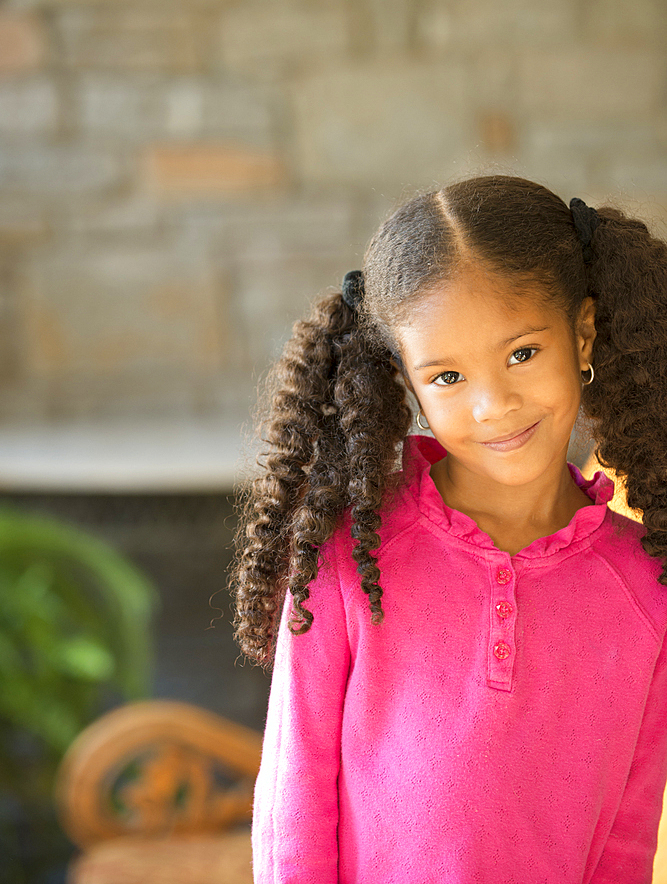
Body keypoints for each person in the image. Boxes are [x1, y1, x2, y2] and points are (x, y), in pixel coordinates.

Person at [230, 174, 667, 883]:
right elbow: (295, 804)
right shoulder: (347, 554)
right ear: (406, 382)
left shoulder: (647, 589)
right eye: (447, 378)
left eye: (521, 353)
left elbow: (625, 839)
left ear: (581, 332)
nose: (493, 405)